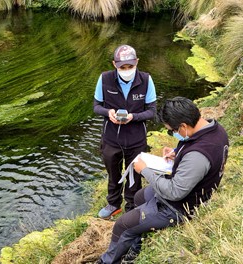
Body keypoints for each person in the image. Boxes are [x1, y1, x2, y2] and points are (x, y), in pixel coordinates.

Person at [96, 97, 229, 263]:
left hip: (180, 207)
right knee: (139, 197)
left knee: (122, 226)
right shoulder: (214, 129)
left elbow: (174, 192)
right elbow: (194, 155)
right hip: (190, 189)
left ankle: (108, 261)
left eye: (171, 130)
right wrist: (177, 153)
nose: (172, 133)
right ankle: (137, 242)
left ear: (183, 126)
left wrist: (145, 170)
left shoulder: (198, 156)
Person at [93, 44, 157, 218]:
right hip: (111, 138)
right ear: (115, 64)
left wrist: (133, 117)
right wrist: (108, 113)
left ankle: (131, 206)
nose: (127, 70)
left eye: (130, 66)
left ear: (137, 62)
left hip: (137, 139)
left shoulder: (146, 80)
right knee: (113, 173)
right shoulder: (105, 79)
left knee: (134, 176)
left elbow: (152, 111)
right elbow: (96, 106)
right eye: (122, 67)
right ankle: (113, 204)